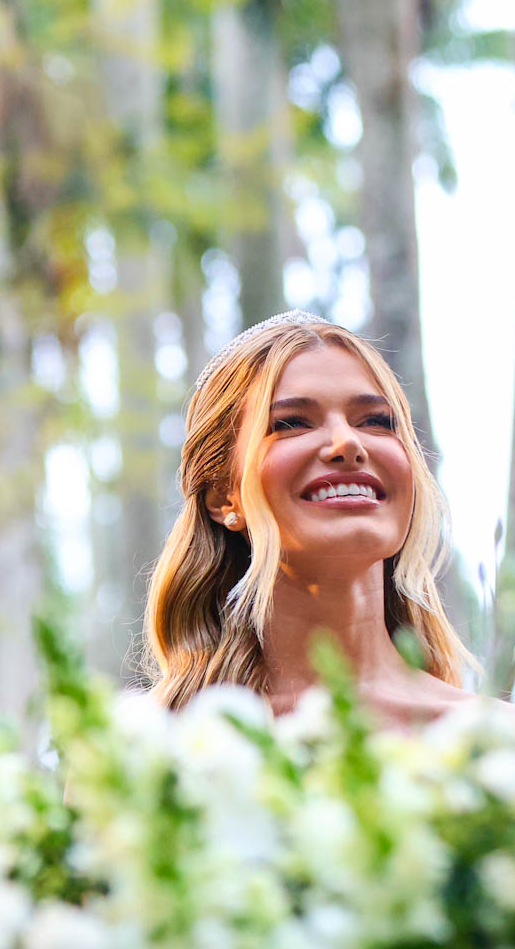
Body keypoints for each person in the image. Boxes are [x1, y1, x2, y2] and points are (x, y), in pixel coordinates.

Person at [142, 310, 476, 727]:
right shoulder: (143, 751)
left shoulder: (511, 744)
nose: (347, 442)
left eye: (375, 421)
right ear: (222, 496)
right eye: (292, 423)